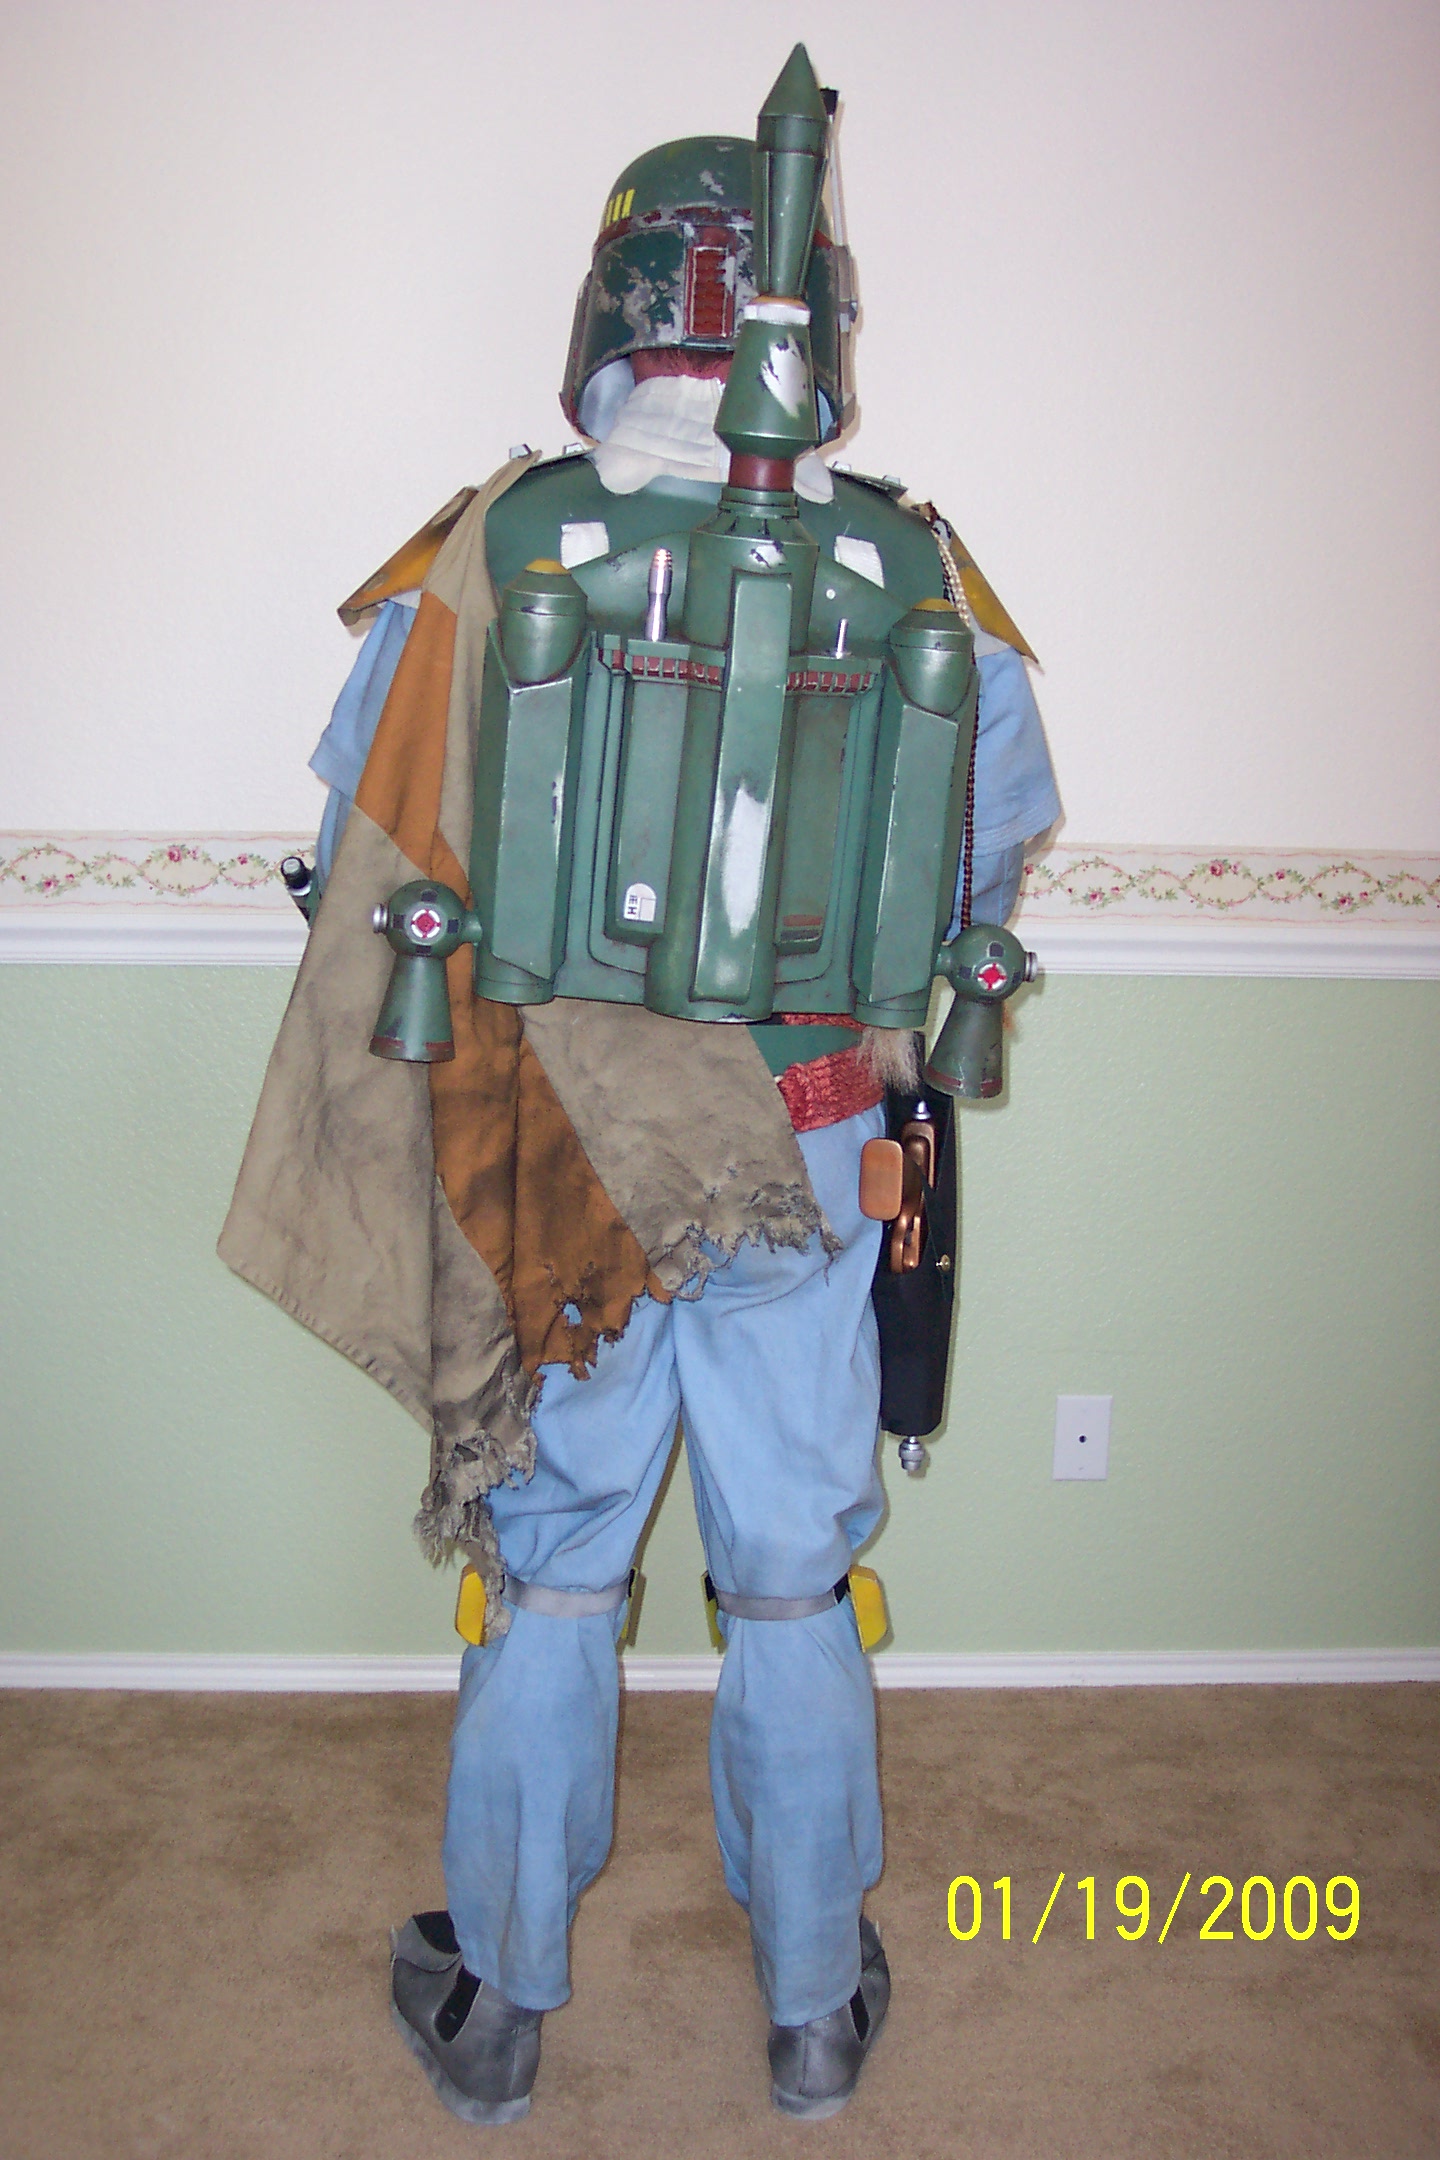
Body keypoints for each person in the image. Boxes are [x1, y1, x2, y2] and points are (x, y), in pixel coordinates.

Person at [222, 44, 1059, 2127]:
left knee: (555, 1568)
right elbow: (979, 876)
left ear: (609, 299)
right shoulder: (923, 574)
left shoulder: (486, 547)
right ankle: (809, 2008)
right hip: (815, 1151)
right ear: (818, 314)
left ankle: (503, 2006)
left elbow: (358, 866)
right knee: (792, 1575)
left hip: (560, 1162)